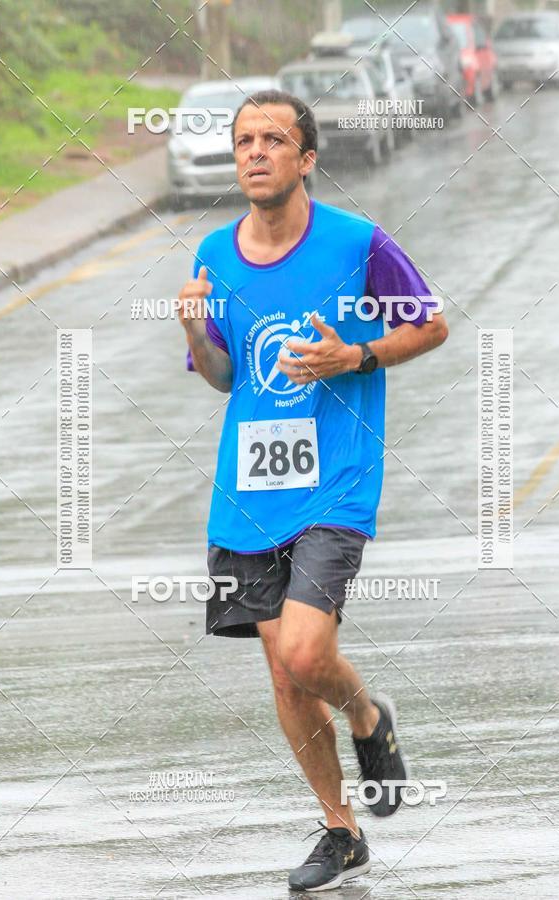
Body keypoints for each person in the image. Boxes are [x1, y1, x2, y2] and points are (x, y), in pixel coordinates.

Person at [179, 89, 448, 893]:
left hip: (337, 482)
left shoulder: (359, 244)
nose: (255, 152)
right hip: (250, 491)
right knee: (284, 673)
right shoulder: (215, 256)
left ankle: (366, 714)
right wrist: (194, 331)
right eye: (243, 141)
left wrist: (356, 356)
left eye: (273, 139)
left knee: (304, 650)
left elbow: (429, 324)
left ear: (307, 159)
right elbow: (226, 378)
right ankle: (341, 831)